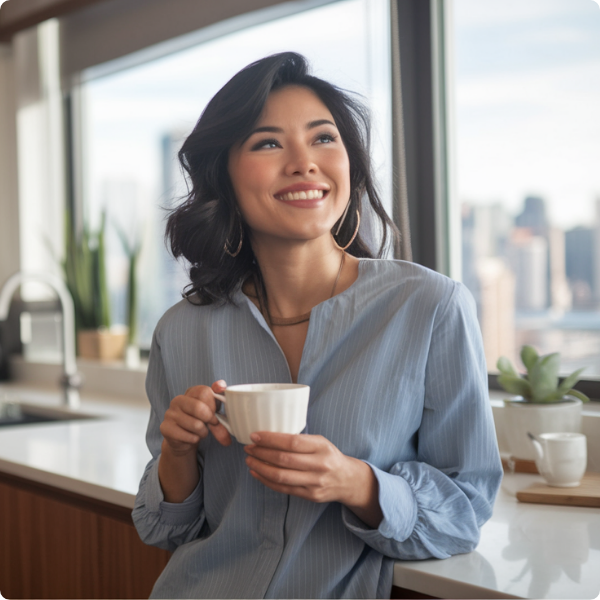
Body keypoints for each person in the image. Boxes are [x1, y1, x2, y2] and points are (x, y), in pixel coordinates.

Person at [133, 52, 503, 599]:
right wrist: (177, 452)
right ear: (225, 176)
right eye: (267, 143)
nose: (304, 162)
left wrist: (357, 483)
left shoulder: (429, 306)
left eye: (323, 138)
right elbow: (166, 528)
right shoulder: (182, 330)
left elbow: (464, 512)